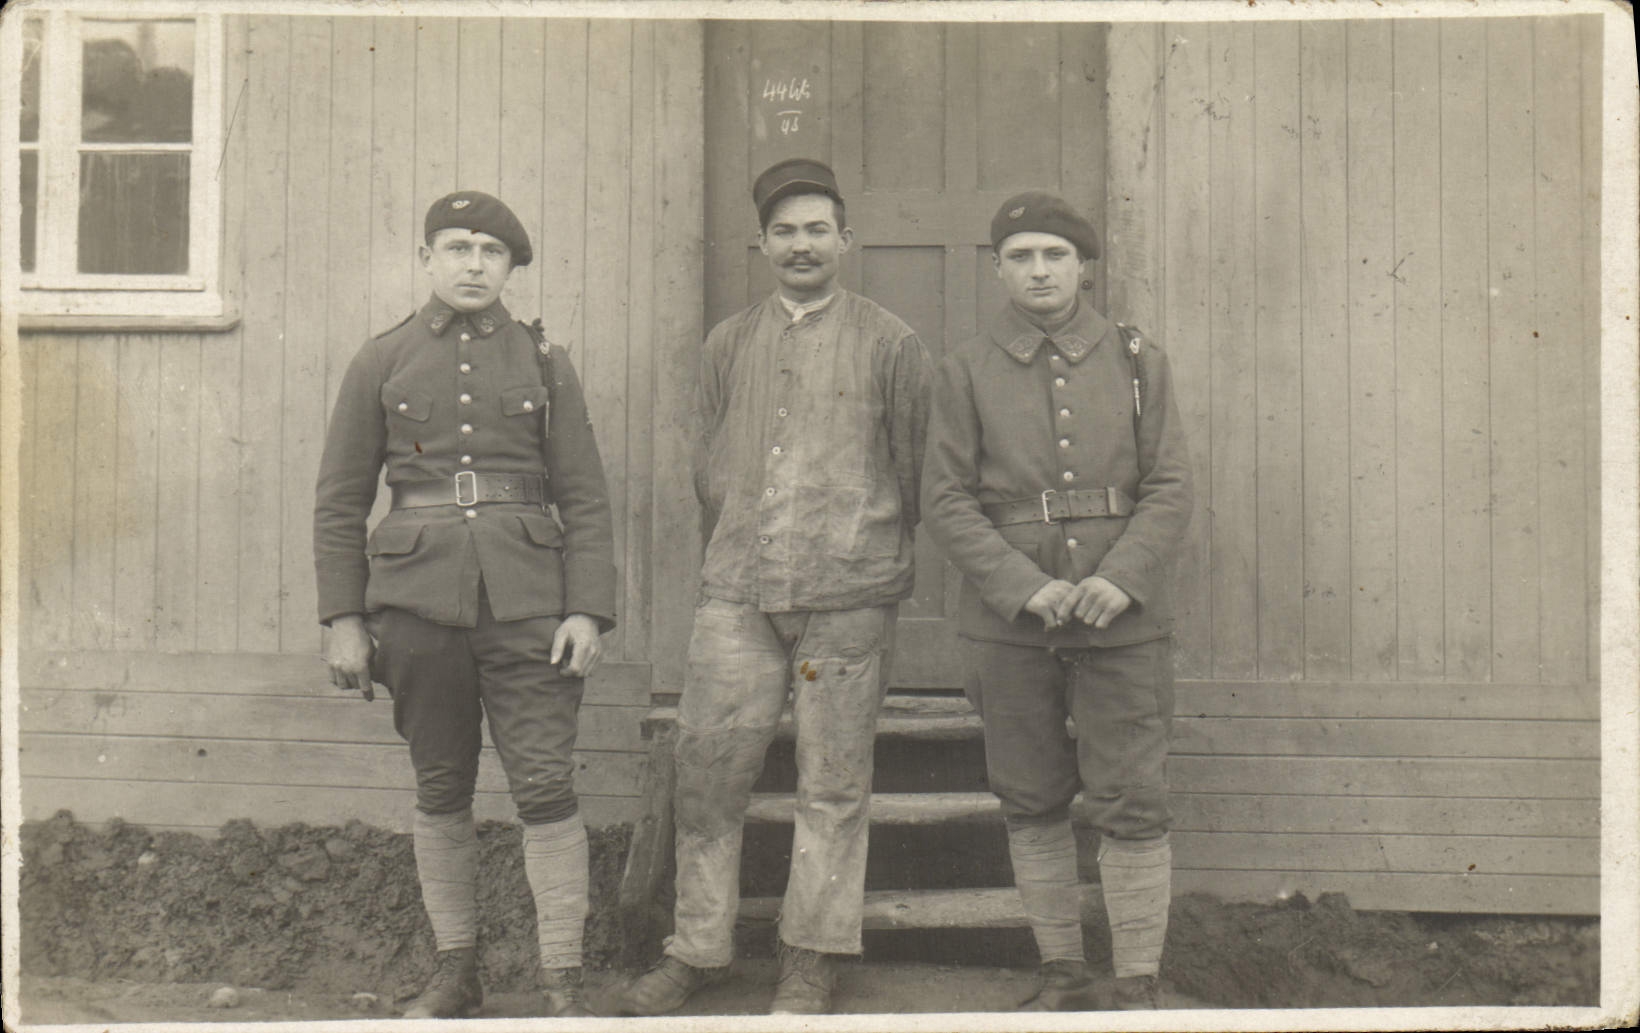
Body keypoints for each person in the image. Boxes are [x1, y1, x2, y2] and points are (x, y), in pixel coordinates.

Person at [620, 158, 931, 1017]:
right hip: (738, 593)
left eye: (817, 229)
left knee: (833, 780)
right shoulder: (728, 342)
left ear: (845, 239)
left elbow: (913, 470)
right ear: (763, 244)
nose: (802, 245)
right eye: (785, 232)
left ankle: (811, 956)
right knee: (710, 770)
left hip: (850, 594)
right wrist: (749, 543)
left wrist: (855, 544)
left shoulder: (892, 341)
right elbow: (710, 468)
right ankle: (699, 948)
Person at [314, 191, 616, 1019]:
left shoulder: (546, 362)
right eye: (456, 247)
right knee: (440, 784)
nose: (473, 264)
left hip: (530, 604)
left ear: (512, 266)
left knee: (546, 785)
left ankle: (562, 978)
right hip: (413, 607)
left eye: (491, 250)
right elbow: (340, 500)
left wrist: (586, 609)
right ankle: (456, 971)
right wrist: (345, 619)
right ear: (427, 259)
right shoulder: (381, 361)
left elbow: (585, 498)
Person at [921, 192, 1194, 1011]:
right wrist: (1022, 586)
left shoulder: (1139, 359)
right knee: (1030, 792)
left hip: (1124, 617)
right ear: (999, 268)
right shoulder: (963, 367)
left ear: (1083, 266)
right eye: (1020, 256)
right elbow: (945, 498)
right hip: (1011, 624)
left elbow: (1171, 486)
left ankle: (1137, 980)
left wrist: (1123, 577)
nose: (1038, 271)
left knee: (1131, 797)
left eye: (1055, 255)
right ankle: (1062, 973)